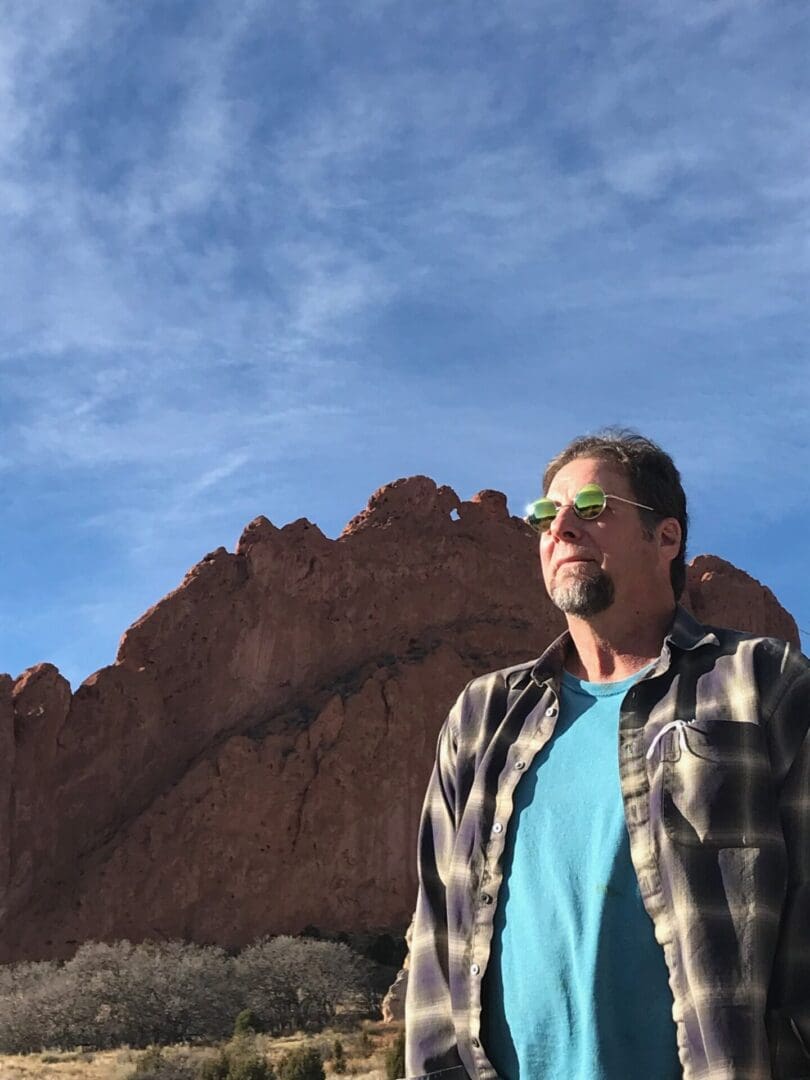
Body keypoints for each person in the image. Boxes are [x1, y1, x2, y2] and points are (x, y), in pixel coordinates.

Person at [404, 430, 810, 1080]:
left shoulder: (760, 685)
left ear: (666, 537)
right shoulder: (482, 718)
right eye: (545, 515)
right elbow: (435, 940)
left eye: (592, 508)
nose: (559, 528)